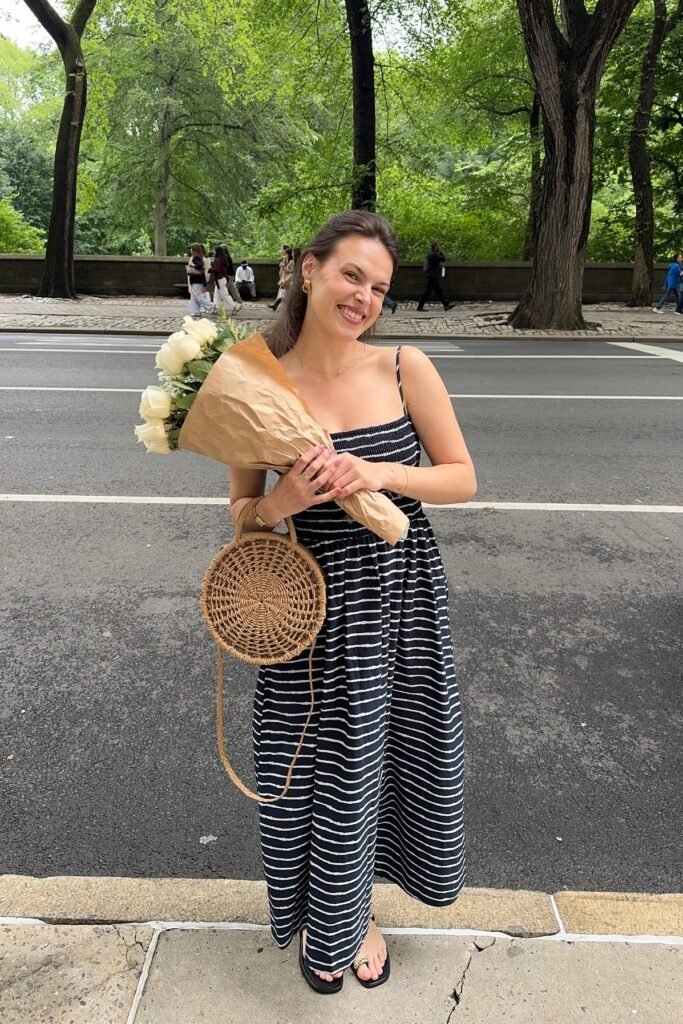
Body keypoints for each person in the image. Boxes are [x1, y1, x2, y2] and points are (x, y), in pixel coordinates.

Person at [228, 210, 475, 995]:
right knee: (312, 771)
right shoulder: (250, 373)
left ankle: (354, 915)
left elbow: (462, 478)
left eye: (378, 287)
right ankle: (326, 911)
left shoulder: (404, 366)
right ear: (308, 269)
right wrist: (282, 500)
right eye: (350, 275)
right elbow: (241, 515)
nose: (364, 296)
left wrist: (380, 473)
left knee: (384, 761)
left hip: (395, 602)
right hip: (300, 609)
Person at [416, 242, 454, 312]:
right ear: (435, 248)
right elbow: (443, 258)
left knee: (438, 291)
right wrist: (441, 252)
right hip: (433, 275)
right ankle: (420, 307)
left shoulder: (429, 255)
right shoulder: (434, 255)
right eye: (438, 246)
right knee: (428, 292)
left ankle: (446, 304)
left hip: (431, 275)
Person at [186, 242, 214, 315]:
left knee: (198, 296)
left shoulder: (195, 258)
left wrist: (192, 265)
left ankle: (211, 305)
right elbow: (203, 271)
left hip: (196, 280)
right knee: (194, 297)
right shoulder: (200, 257)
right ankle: (195, 311)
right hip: (198, 280)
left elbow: (200, 266)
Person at [210, 245, 240, 315]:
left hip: (220, 279)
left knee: (225, 295)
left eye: (214, 250)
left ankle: (234, 306)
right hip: (221, 279)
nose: (213, 252)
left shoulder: (218, 259)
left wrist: (210, 269)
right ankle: (216, 308)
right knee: (216, 295)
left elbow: (218, 270)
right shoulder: (222, 259)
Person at [269, 246, 295, 311]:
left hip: (289, 279)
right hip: (285, 278)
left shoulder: (291, 261)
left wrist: (285, 269)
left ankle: (278, 304)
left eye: (286, 254)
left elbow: (293, 270)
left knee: (284, 292)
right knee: (282, 291)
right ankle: (276, 304)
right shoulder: (287, 260)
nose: (285, 255)